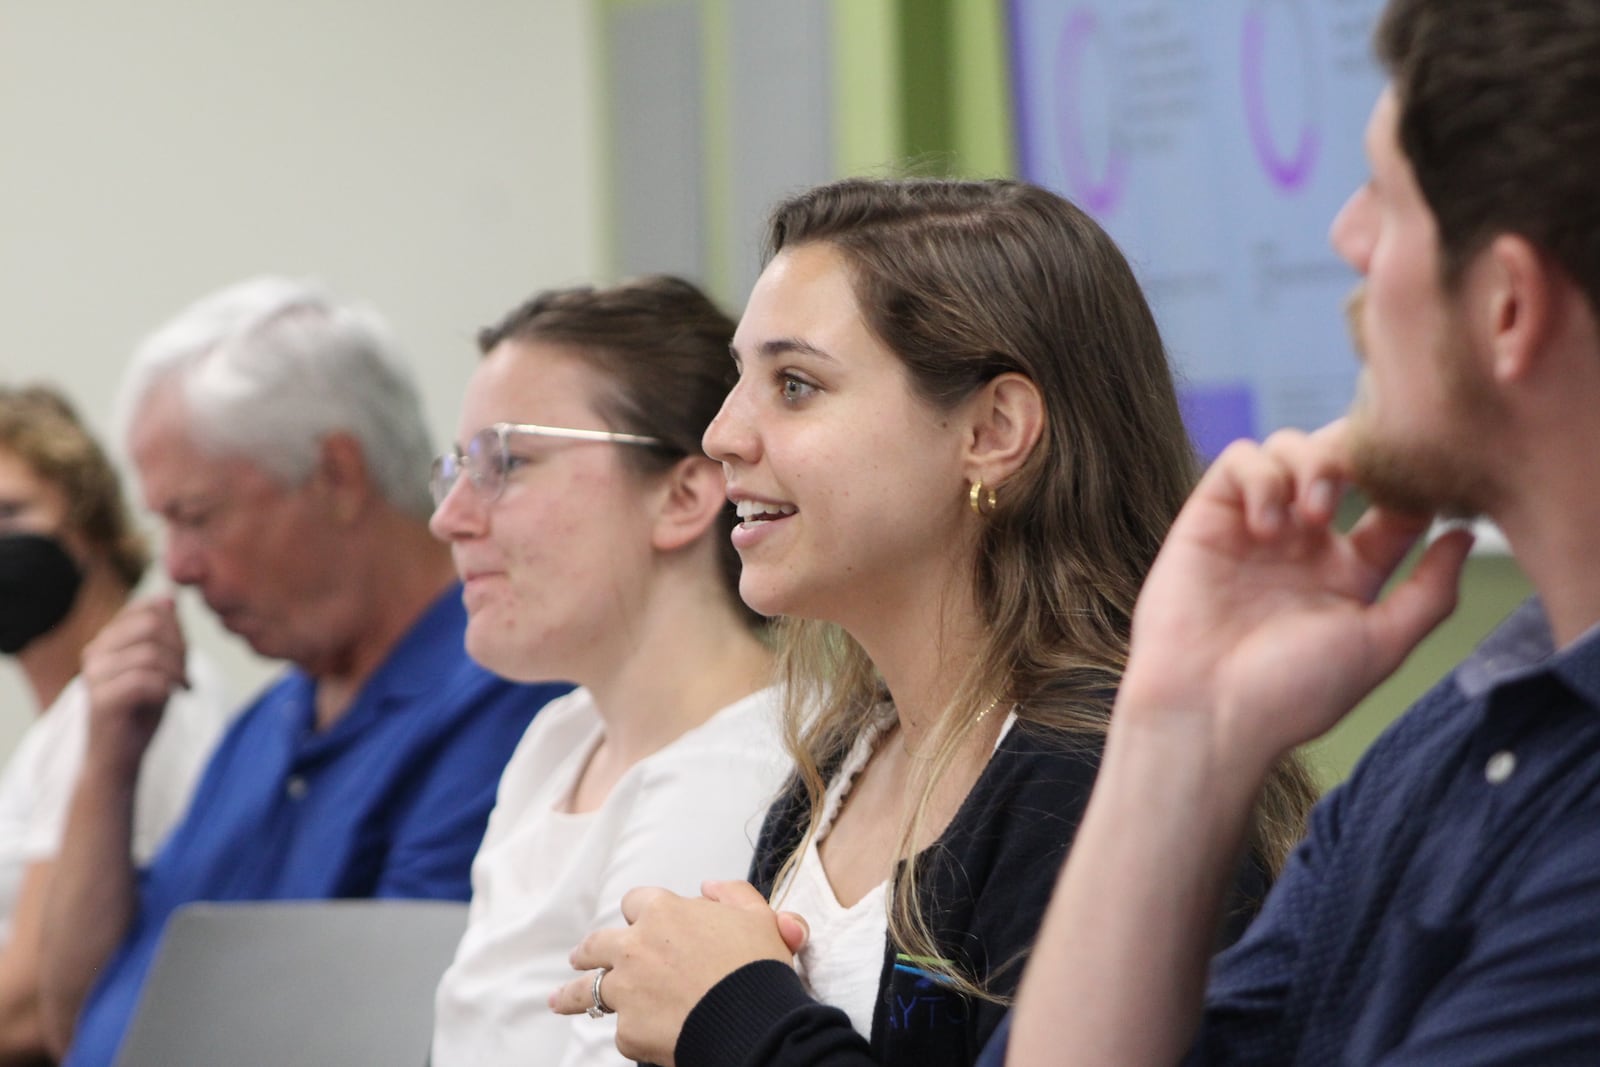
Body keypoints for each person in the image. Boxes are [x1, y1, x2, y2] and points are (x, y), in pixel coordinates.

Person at [550, 178, 1320, 1067]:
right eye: (740, 381)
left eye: (795, 385)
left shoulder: (1097, 778)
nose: (724, 434)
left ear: (993, 430)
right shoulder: (843, 754)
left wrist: (732, 1013)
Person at [984, 1, 1600, 1064]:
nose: (1344, 237)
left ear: (1507, 307)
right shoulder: (1461, 730)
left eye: (1386, 200)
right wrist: (1182, 725)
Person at [37, 278, 568, 1067]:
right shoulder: (269, 721)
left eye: (197, 516)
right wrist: (107, 767)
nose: (176, 567)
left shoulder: (499, 698)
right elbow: (75, 1018)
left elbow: (392, 1030)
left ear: (338, 476)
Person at [428, 276, 786, 1067]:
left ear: (685, 495)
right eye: (456, 467)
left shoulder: (737, 773)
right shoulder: (564, 735)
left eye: (507, 462)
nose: (449, 516)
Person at [0, 386, 233, 1063]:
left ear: (93, 527)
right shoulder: (61, 726)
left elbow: (35, 1000)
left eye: (11, 512)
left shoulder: (131, 705)